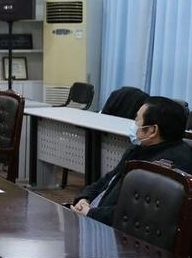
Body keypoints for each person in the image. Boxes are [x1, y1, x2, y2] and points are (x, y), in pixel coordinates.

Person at [72, 96, 192, 225]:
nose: (134, 125)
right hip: (96, 215)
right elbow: (109, 179)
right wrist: (85, 197)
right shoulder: (139, 149)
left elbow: (137, 214)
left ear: (153, 130)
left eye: (136, 120)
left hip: (117, 232)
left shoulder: (169, 165)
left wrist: (91, 214)